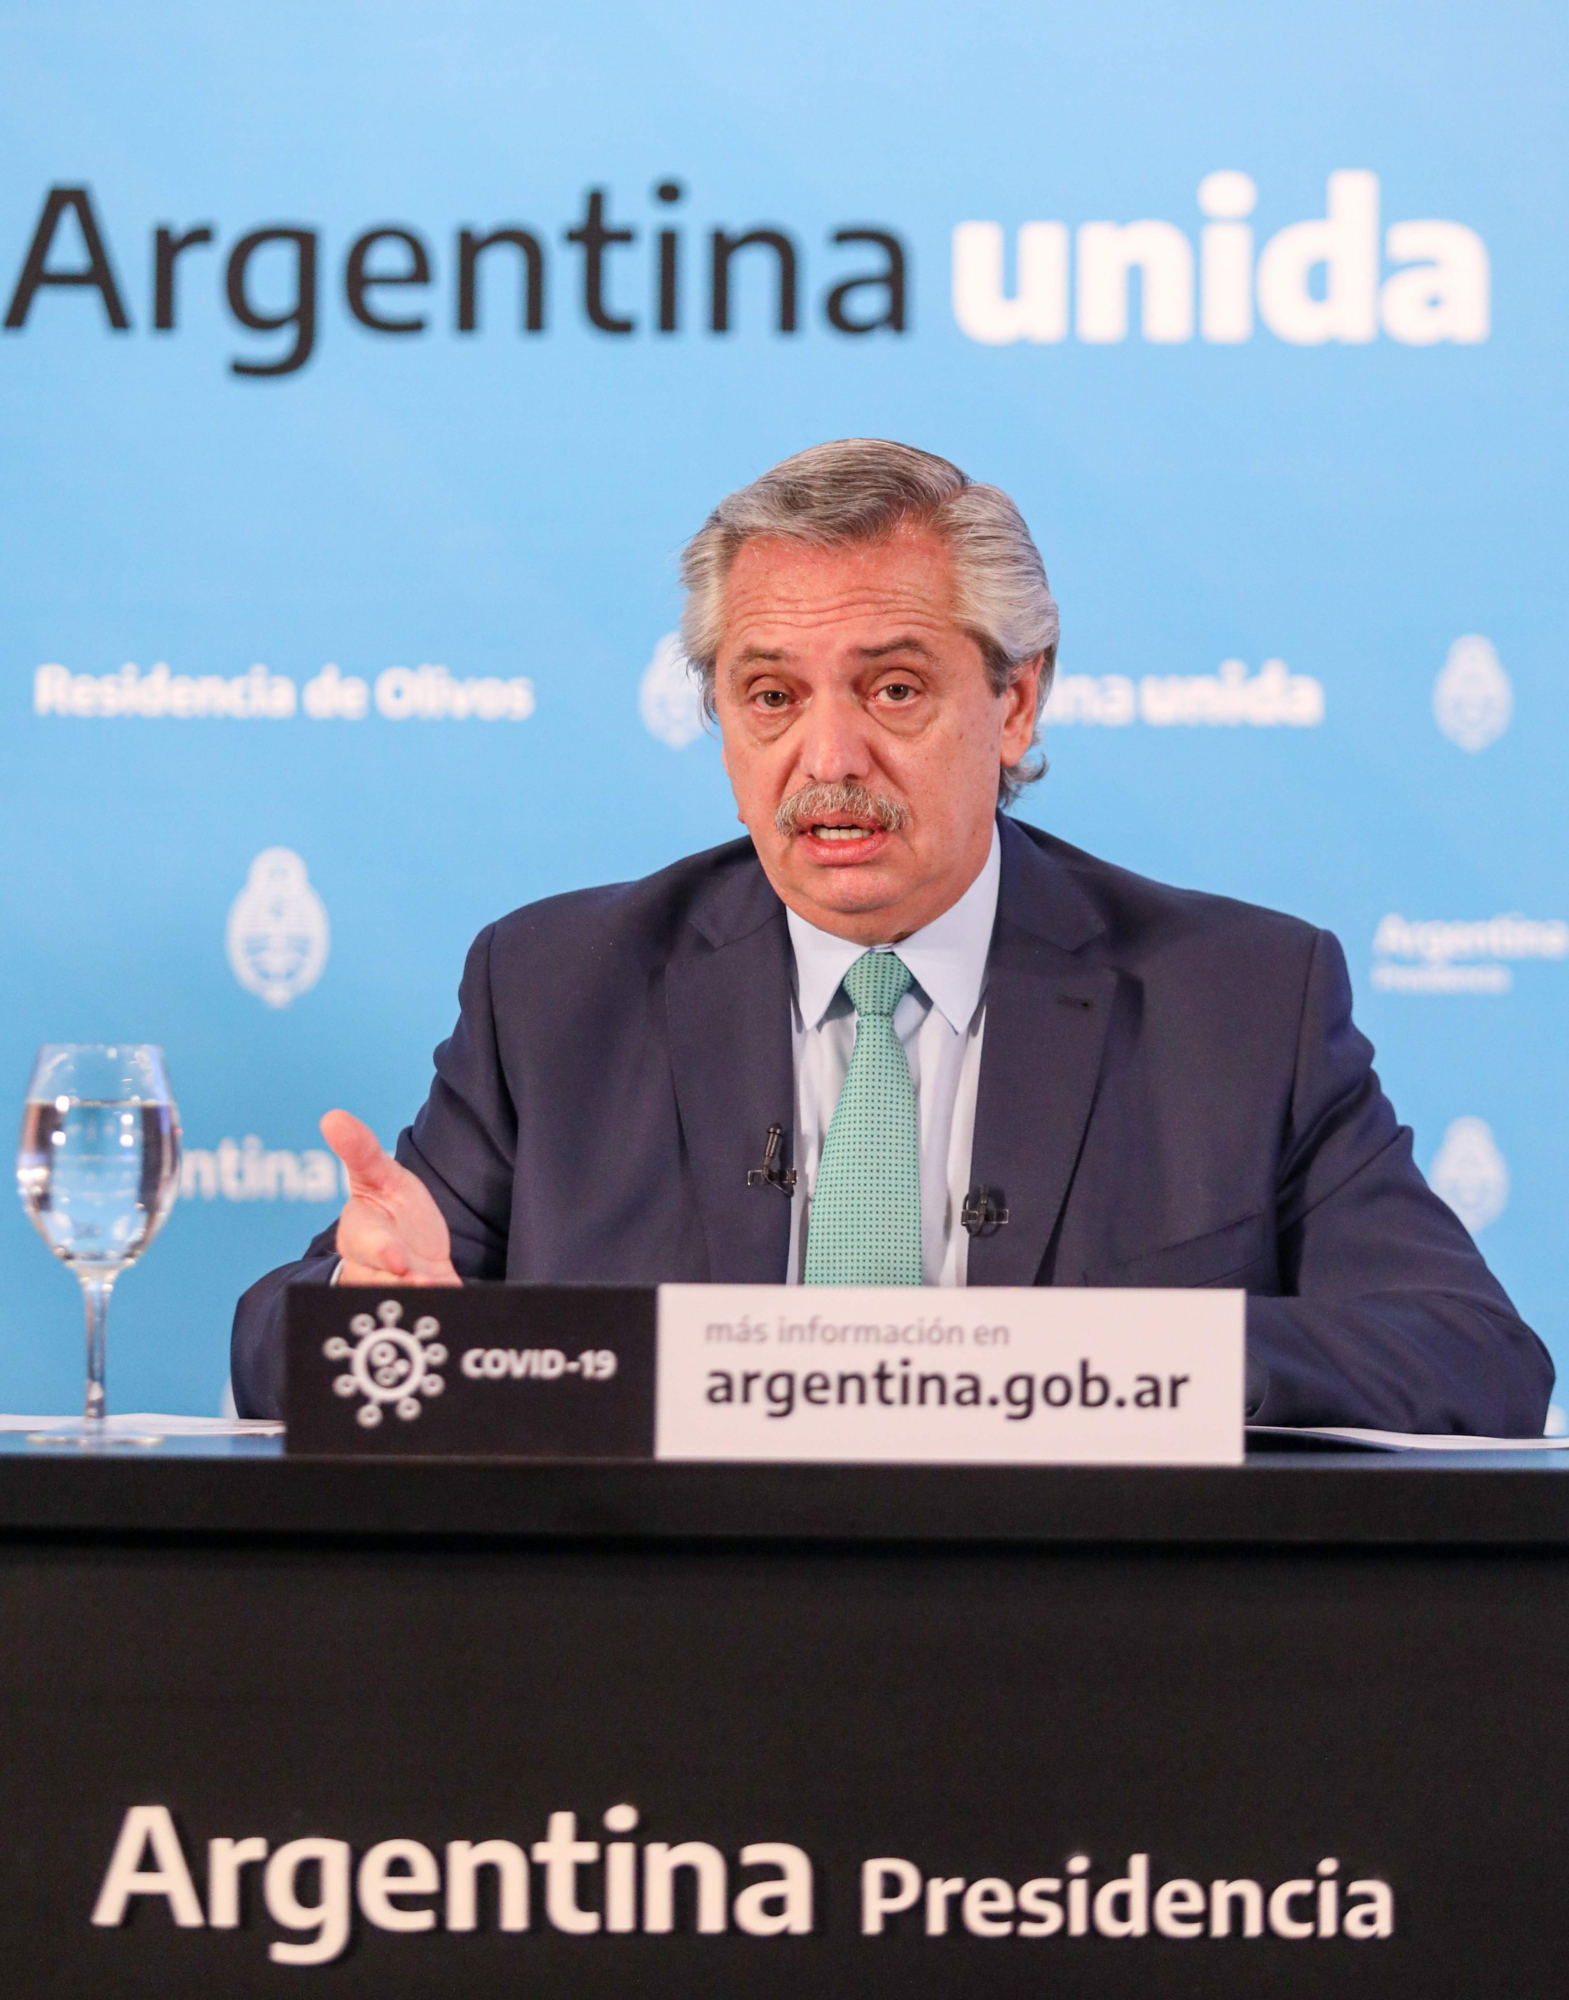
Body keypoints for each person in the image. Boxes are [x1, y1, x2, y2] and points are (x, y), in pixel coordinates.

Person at [232, 439, 1552, 1434]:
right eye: (769, 696)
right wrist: (380, 1315)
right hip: (664, 1658)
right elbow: (272, 1349)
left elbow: (1473, 1358)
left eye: (895, 688)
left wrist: (1111, 1370)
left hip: (1084, 1660)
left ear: (1016, 703)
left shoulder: (1239, 1003)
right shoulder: (556, 991)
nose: (829, 758)